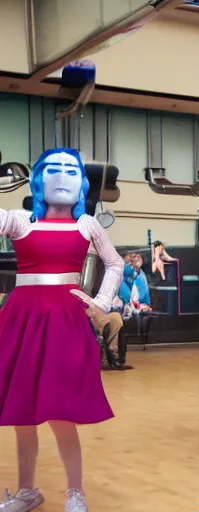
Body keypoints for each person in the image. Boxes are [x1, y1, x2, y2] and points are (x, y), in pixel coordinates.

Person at [0, 148, 124, 512]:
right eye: (53, 169)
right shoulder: (21, 220)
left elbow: (115, 264)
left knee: (61, 412)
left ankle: (75, 492)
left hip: (65, 320)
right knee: (21, 412)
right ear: (38, 179)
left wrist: (101, 301)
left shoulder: (87, 225)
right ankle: (27, 491)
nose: (62, 176)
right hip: (20, 320)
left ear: (82, 182)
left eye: (72, 170)